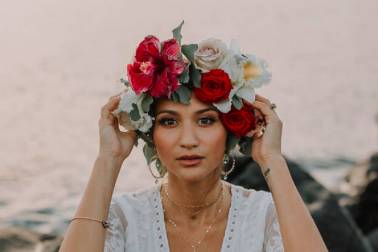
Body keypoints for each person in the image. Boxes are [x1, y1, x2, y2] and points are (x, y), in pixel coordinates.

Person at [59, 91, 328, 252]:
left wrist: (272, 158)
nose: (188, 139)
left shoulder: (266, 214)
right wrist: (109, 158)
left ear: (230, 130)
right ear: (151, 133)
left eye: (206, 120)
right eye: (169, 121)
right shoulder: (123, 217)